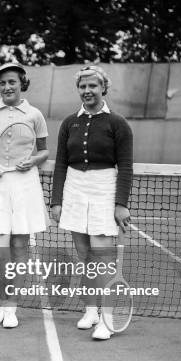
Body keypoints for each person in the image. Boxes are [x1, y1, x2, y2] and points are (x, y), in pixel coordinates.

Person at [50, 65, 133, 341]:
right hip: (74, 189)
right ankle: (90, 310)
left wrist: (120, 204)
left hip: (104, 189)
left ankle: (107, 318)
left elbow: (126, 167)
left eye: (92, 86)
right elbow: (61, 163)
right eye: (83, 86)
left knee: (102, 257)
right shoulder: (69, 122)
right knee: (84, 256)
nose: (87, 91)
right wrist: (56, 201)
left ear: (103, 88)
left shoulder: (117, 123)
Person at [0, 62, 50, 328]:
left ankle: (11, 308)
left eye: (12, 82)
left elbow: (44, 151)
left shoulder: (35, 115)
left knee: (19, 247)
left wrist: (33, 161)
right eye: (3, 83)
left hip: (25, 185)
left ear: (21, 84)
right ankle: (1, 303)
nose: (7, 87)